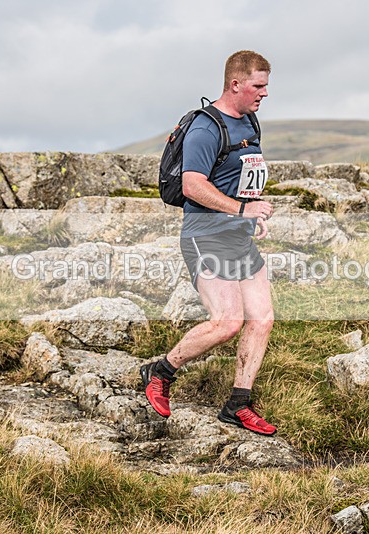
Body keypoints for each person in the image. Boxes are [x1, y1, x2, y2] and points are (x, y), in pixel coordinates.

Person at [140, 50, 277, 436]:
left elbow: (242, 175)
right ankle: (161, 371)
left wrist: (253, 213)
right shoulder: (205, 127)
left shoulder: (250, 122)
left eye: (266, 86)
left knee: (262, 319)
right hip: (205, 236)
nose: (264, 94)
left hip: (238, 237)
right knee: (226, 321)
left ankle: (238, 405)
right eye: (258, 86)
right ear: (235, 84)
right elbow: (192, 185)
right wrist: (240, 210)